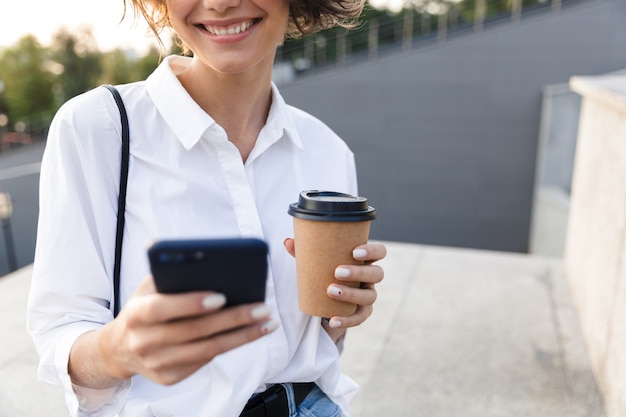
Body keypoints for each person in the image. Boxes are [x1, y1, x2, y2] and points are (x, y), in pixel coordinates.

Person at [27, 0, 387, 416]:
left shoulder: (327, 149)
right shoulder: (97, 129)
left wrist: (337, 312)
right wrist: (118, 350)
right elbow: (59, 336)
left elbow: (320, 347)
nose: (219, 2)